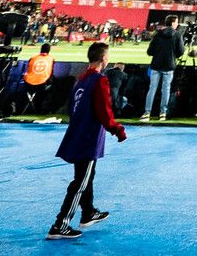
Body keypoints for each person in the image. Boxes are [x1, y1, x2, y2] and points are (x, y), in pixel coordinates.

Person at [50, 41, 127, 240]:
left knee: (86, 176)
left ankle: (88, 212)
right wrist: (117, 130)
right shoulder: (100, 80)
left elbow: (71, 108)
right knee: (81, 181)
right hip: (88, 137)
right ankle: (61, 224)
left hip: (77, 133)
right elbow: (104, 111)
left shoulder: (81, 80)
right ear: (103, 58)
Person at [142, 18, 180, 121]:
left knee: (152, 88)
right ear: (173, 23)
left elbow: (150, 51)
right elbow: (180, 51)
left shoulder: (157, 34)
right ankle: (163, 113)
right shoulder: (177, 34)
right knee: (166, 89)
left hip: (156, 65)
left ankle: (147, 113)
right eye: (176, 22)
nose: (177, 24)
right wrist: (173, 55)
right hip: (169, 65)